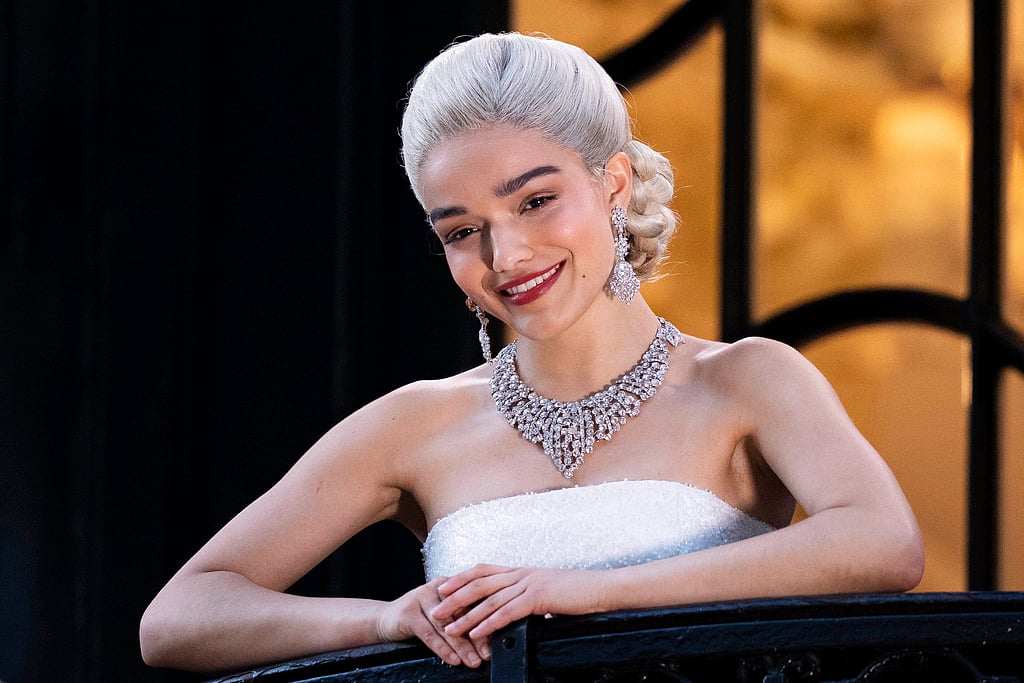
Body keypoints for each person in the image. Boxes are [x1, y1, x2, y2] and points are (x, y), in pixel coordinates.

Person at [139, 32, 924, 674]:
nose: (506, 254)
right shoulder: (415, 424)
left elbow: (883, 542)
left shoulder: (748, 379)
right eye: (461, 230)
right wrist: (385, 620)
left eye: (536, 200)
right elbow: (179, 617)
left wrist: (591, 592)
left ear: (614, 183)